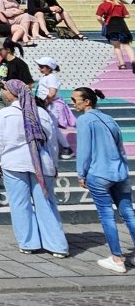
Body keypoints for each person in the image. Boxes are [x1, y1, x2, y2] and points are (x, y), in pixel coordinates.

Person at [0, 79, 68, 257]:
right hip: (41, 162)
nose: (3, 92)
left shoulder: (5, 113)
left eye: (5, 90)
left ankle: (28, 242)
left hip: (13, 162)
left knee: (19, 203)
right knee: (46, 203)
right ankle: (57, 244)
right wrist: (54, 164)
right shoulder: (41, 112)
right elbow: (52, 142)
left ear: (12, 93)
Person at [72, 86, 135, 273]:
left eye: (75, 100)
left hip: (99, 173)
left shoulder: (84, 120)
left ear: (87, 102)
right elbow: (120, 146)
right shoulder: (109, 119)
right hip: (119, 172)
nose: (72, 103)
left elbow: (84, 150)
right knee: (129, 213)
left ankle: (117, 258)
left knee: (107, 215)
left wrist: (81, 174)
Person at [97, 0, 135, 72]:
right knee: (127, 46)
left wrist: (103, 23)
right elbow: (127, 16)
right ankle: (133, 61)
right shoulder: (120, 4)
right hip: (122, 26)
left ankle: (122, 64)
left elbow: (98, 17)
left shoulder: (103, 5)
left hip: (111, 26)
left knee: (117, 46)